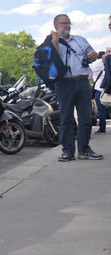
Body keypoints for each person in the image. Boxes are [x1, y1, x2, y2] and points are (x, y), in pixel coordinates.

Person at [51, 14, 103, 161]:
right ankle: (67, 151)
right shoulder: (52, 42)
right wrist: (54, 39)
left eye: (69, 23)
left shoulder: (80, 40)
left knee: (86, 117)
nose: (67, 26)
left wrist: (92, 56)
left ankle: (84, 149)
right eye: (64, 23)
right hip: (64, 83)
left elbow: (90, 55)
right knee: (66, 118)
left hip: (83, 81)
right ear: (56, 25)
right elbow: (50, 59)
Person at [90, 51, 107, 133]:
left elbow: (89, 74)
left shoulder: (95, 64)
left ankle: (102, 128)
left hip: (99, 89)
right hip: (108, 89)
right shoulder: (108, 62)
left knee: (101, 110)